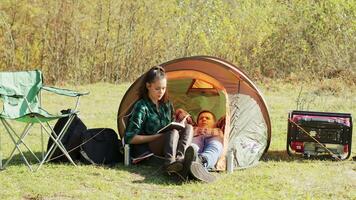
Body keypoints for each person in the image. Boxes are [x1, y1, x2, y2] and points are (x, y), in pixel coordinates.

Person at [124, 66, 193, 173]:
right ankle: (169, 164)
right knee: (172, 132)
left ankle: (180, 159)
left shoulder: (167, 104)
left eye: (163, 88)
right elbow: (130, 138)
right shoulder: (141, 106)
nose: (161, 92)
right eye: (157, 89)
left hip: (168, 143)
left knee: (188, 128)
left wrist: (181, 120)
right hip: (151, 146)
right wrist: (158, 136)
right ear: (148, 86)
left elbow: (171, 125)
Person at [186, 110, 224, 183]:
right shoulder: (193, 128)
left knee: (214, 146)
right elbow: (181, 113)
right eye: (201, 118)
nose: (204, 119)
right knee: (193, 146)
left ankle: (201, 162)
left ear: (215, 123)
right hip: (196, 137)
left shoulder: (218, 129)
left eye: (207, 118)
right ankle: (190, 161)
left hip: (214, 137)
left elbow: (229, 116)